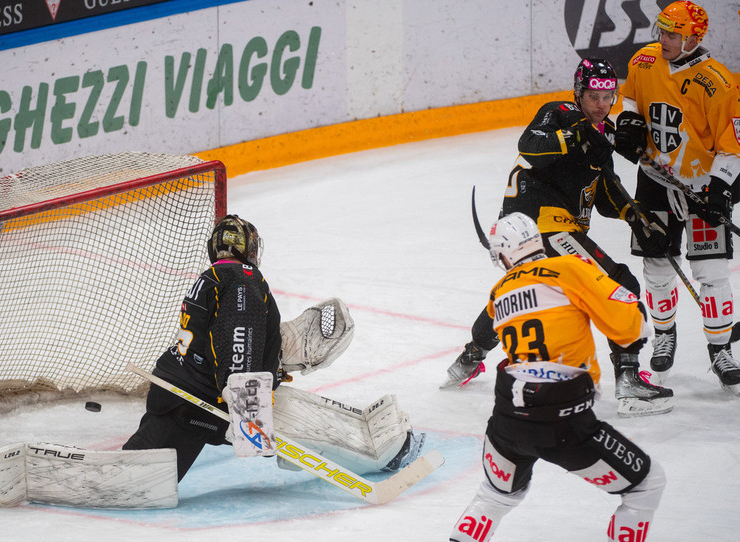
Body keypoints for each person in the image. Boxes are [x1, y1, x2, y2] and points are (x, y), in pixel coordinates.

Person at [443, 58, 673, 417]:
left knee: (524, 291)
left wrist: (635, 217)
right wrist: (577, 134)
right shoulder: (560, 112)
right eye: (594, 96)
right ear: (579, 93)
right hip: (537, 226)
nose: (602, 104)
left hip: (551, 228)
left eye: (609, 96)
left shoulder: (601, 135)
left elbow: (605, 192)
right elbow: (529, 144)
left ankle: (470, 356)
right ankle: (627, 379)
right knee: (619, 283)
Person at [123, 214, 423, 481]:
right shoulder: (242, 279)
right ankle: (389, 452)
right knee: (137, 479)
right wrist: (248, 414)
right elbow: (236, 338)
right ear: (247, 248)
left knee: (139, 470)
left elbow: (222, 336)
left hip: (178, 388)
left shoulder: (213, 276)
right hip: (206, 399)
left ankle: (124, 473)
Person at [449, 212, 666, 542]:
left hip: (506, 421)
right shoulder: (569, 268)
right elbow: (628, 328)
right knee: (646, 486)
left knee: (495, 497)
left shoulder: (500, 291)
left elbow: (491, 325)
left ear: (504, 254)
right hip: (565, 422)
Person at [613, 0, 740, 393]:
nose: (662, 39)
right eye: (661, 30)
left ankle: (720, 349)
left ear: (693, 39)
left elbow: (732, 147)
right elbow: (631, 98)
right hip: (654, 180)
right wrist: (629, 119)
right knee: (657, 265)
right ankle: (665, 334)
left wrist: (720, 190)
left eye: (672, 34)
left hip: (701, 188)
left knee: (713, 273)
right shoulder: (644, 61)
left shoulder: (719, 82)